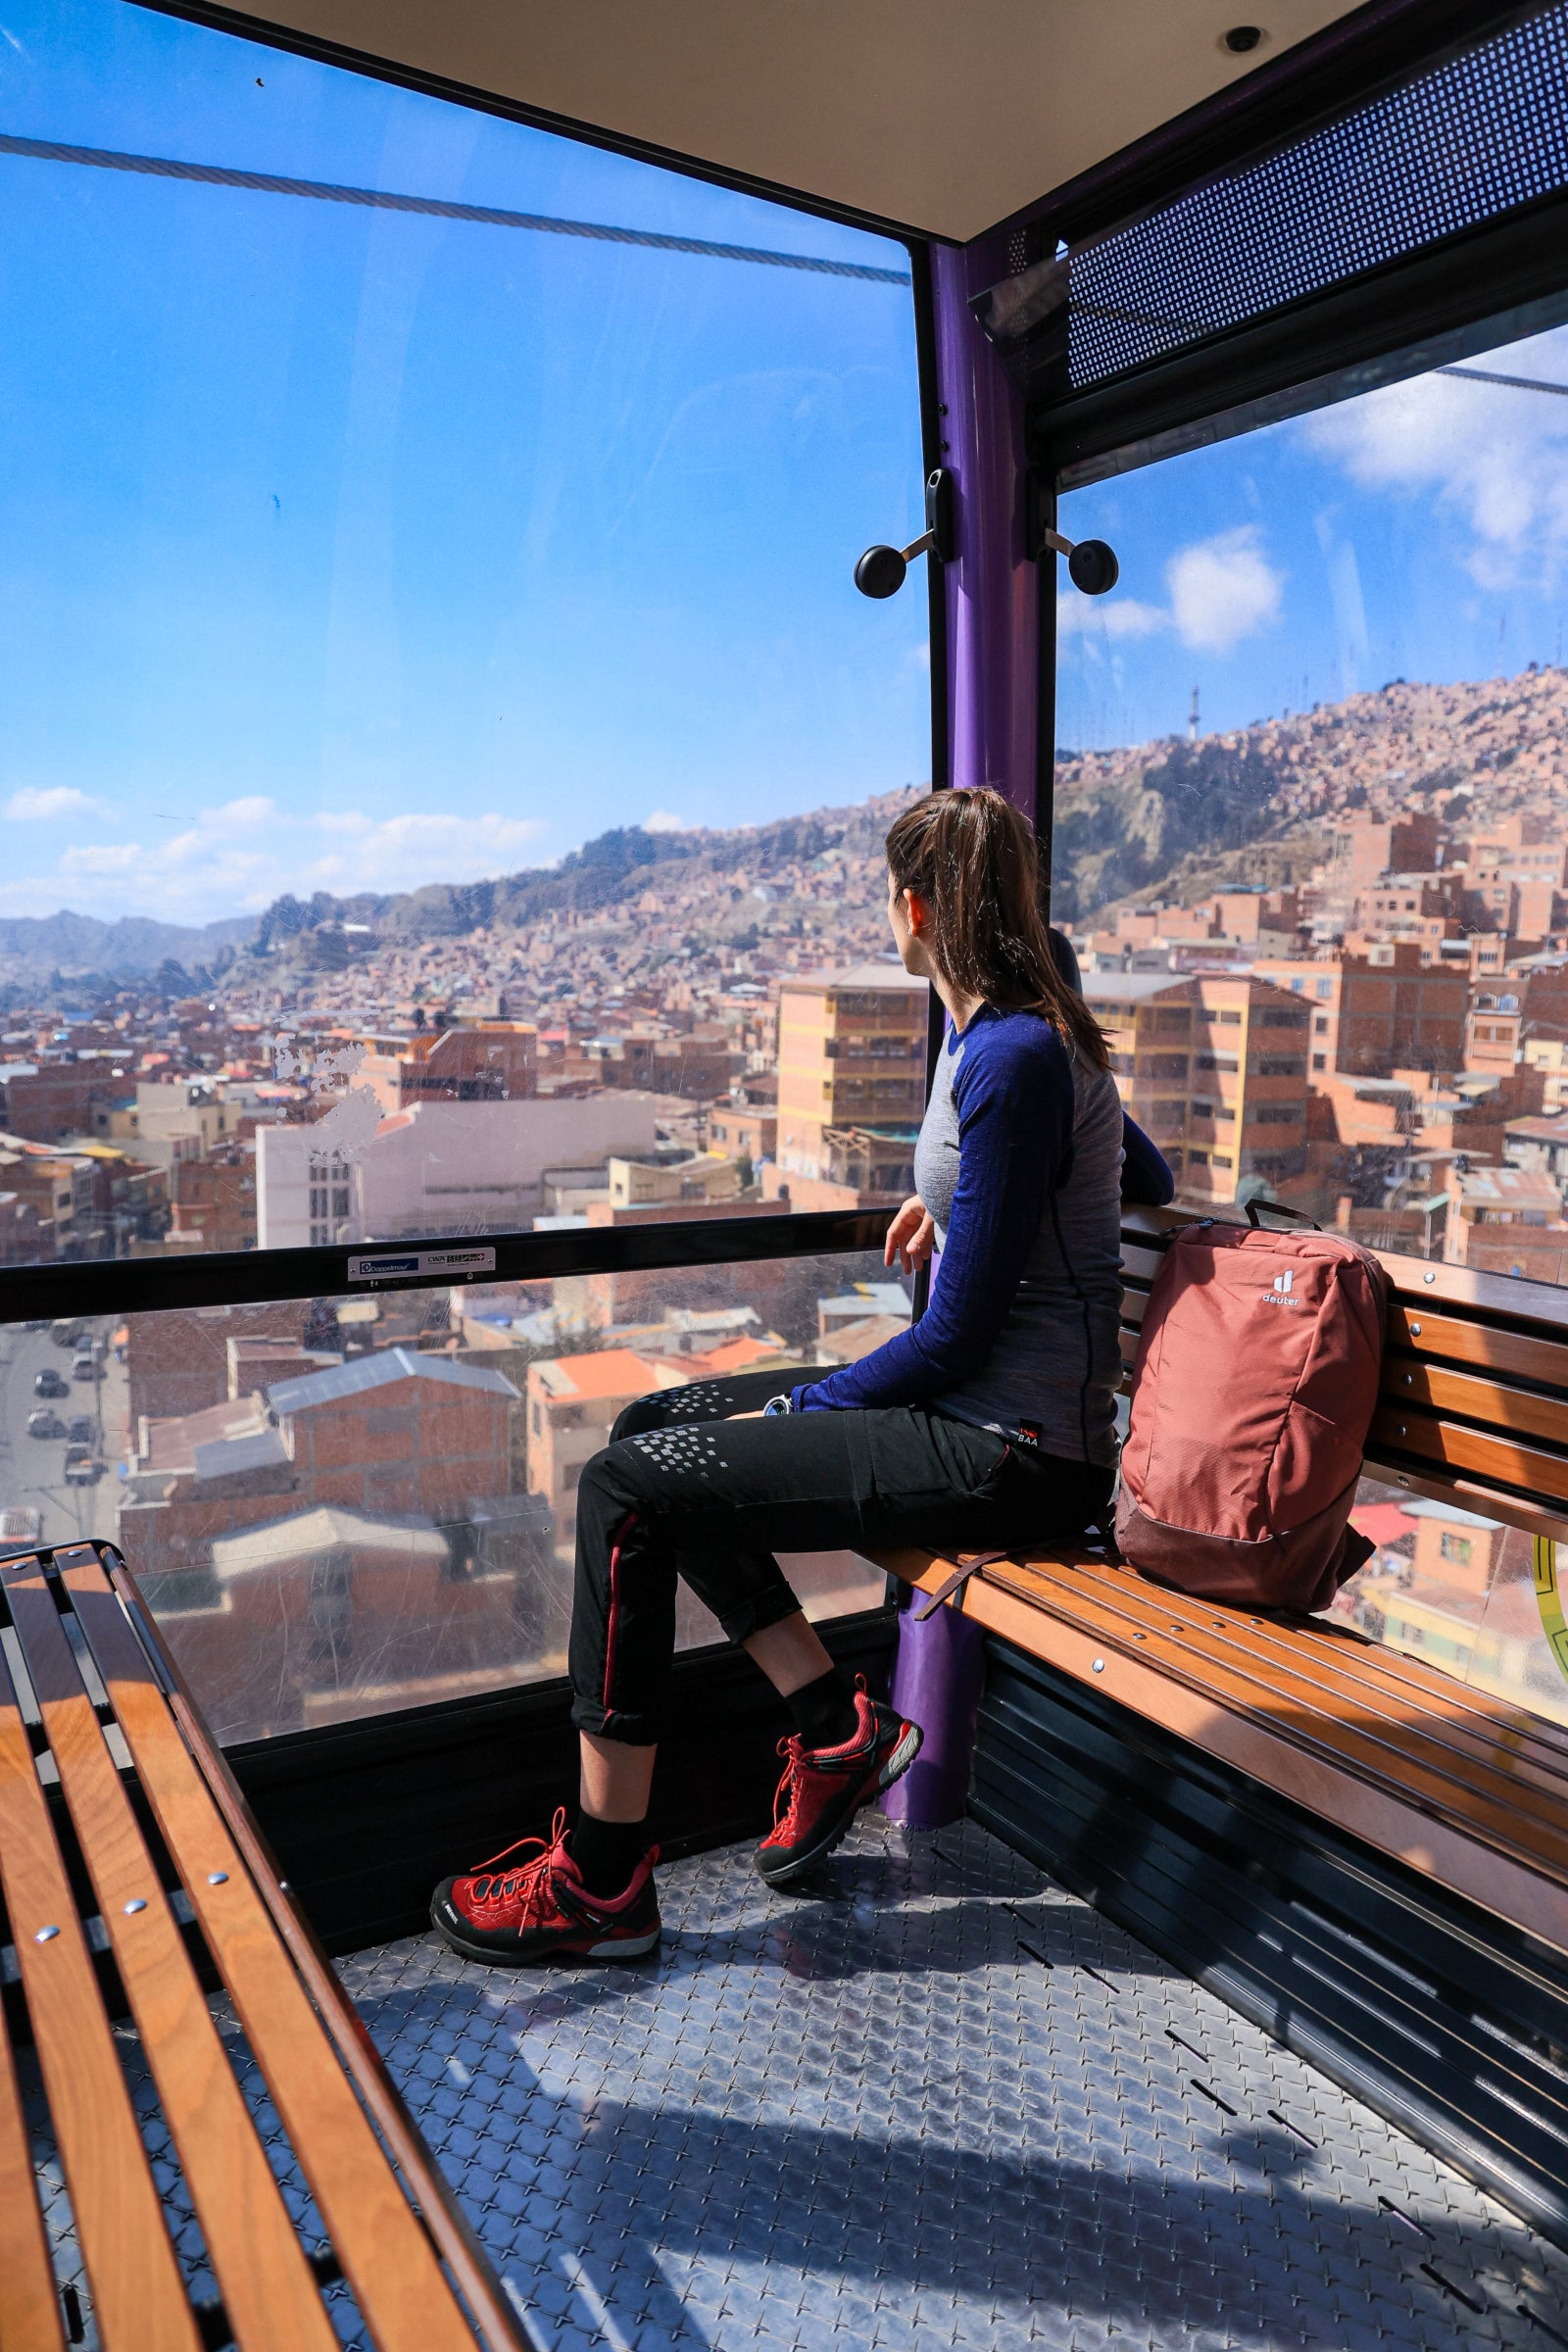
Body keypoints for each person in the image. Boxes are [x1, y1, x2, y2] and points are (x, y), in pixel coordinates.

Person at [430, 788, 1136, 1968]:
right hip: (983, 1417)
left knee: (631, 1490)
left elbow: (956, 1341)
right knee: (657, 1425)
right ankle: (833, 1724)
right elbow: (1117, 1156)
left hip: (1009, 1449)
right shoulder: (1007, 1031)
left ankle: (602, 1886)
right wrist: (964, 1189)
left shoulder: (1011, 1051)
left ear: (913, 908)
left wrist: (806, 1403)